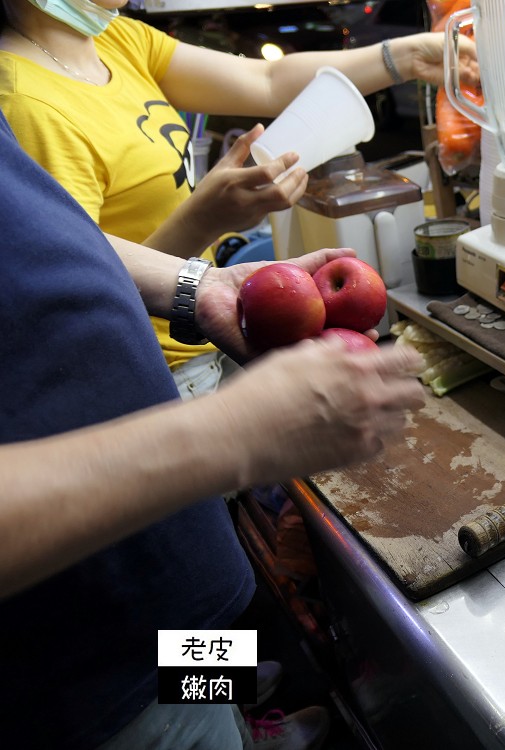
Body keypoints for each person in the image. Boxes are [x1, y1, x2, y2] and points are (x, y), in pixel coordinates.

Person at [0, 106, 425, 750]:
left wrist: (195, 287)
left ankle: (238, 711)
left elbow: (39, 238)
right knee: (181, 719)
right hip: (82, 675)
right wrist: (228, 434)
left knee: (199, 649)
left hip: (150, 560)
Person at [0, 0, 478, 398]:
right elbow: (84, 294)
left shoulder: (118, 40)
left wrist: (405, 57)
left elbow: (267, 82)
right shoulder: (24, 102)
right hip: (155, 374)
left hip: (210, 337)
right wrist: (206, 220)